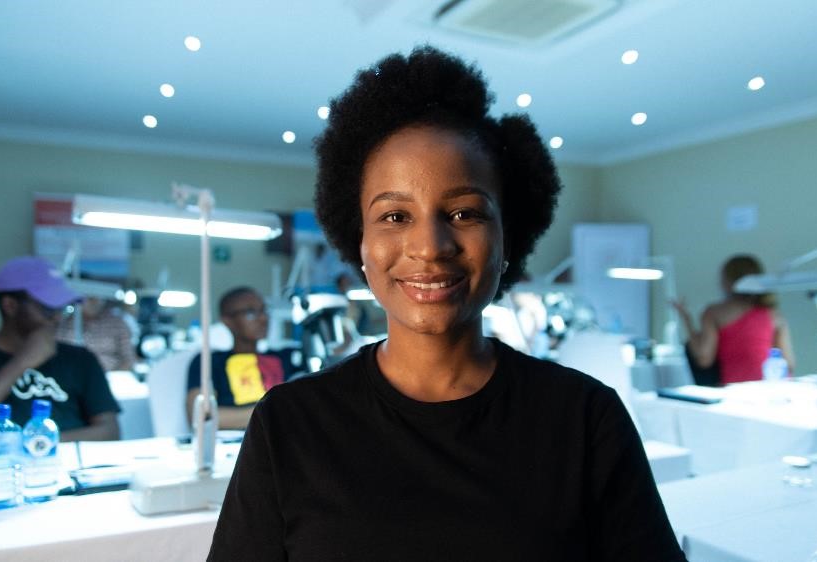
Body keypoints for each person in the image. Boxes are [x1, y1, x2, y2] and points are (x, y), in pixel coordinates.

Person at [209, 47, 684, 561]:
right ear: (359, 245)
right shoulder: (290, 424)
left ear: (508, 239)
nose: (431, 245)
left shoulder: (585, 418)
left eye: (463, 213)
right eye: (394, 216)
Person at [0, 256, 120, 441]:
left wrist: (37, 443)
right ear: (10, 306)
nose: (58, 318)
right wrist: (22, 362)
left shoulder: (80, 359)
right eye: (48, 309)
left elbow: (109, 431)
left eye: (63, 309)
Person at [674, 254, 795, 385]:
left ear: (727, 281)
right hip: (772, 388)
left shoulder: (715, 313)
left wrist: (687, 320)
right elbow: (789, 364)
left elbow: (704, 359)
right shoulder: (775, 315)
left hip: (736, 389)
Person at [186, 287, 293, 430]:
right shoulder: (209, 362)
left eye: (263, 310)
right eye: (250, 313)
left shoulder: (286, 357)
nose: (263, 318)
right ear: (227, 321)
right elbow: (201, 416)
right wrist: (273, 410)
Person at [57, 296, 137, 371]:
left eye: (96, 297)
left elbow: (129, 359)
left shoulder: (118, 323)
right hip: (71, 377)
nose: (93, 301)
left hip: (109, 377)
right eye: (89, 297)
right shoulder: (64, 323)